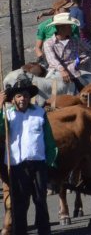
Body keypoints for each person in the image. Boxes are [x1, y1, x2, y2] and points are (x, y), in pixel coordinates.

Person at [0, 75, 56, 235]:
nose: (22, 98)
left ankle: (44, 232)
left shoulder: (39, 113)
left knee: (40, 201)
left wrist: (50, 161)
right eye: (18, 95)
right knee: (19, 204)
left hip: (38, 164)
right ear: (13, 98)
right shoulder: (7, 114)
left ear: (29, 97)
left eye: (25, 95)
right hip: (17, 165)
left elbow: (49, 139)